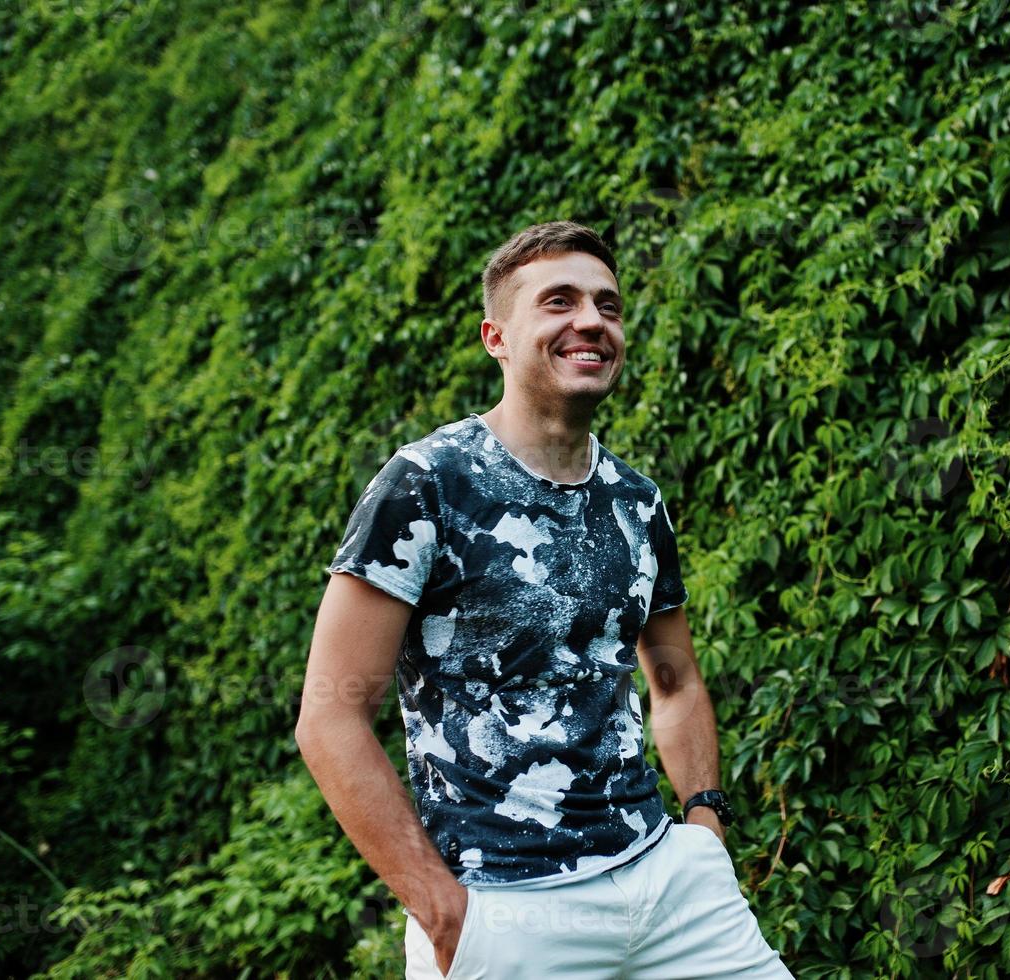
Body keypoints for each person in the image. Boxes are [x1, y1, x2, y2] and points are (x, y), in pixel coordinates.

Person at [295, 221, 794, 978]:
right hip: (503, 908)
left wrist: (704, 821)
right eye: (557, 302)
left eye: (608, 305)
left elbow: (676, 679)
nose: (590, 321)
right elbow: (328, 717)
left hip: (669, 885)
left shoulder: (635, 498)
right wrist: (441, 910)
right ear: (496, 337)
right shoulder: (425, 484)